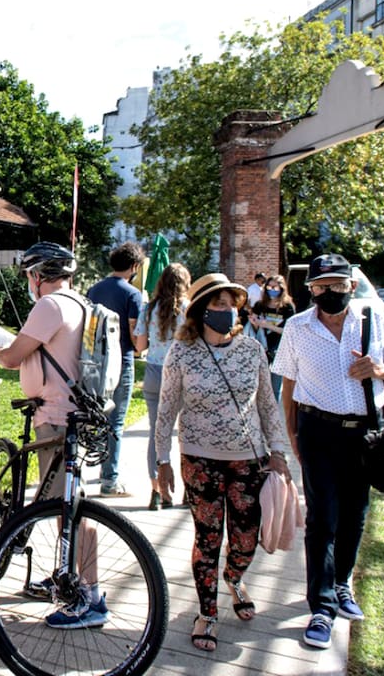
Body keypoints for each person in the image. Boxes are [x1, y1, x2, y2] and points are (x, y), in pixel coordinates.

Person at [271, 253, 384, 650]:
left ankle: (342, 581)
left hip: (364, 432)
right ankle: (322, 606)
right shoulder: (298, 327)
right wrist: (293, 433)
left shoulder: (371, 320)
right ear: (310, 289)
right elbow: (290, 385)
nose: (330, 292)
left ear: (351, 285)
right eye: (322, 286)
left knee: (355, 513)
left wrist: (378, 370)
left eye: (337, 284)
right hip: (318, 430)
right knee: (322, 518)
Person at [155, 273, 291, 653]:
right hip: (199, 459)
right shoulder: (182, 353)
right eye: (218, 305)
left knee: (246, 538)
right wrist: (161, 459)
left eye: (232, 304)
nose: (227, 311)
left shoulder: (252, 351)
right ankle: (207, 612)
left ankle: (234, 576)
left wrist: (278, 453)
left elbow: (267, 404)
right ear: (201, 311)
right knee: (208, 537)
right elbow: (166, 409)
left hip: (249, 460)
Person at [0, 241, 109, 630]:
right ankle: (70, 577)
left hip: (57, 416)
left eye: (29, 274)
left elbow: (13, 357)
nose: (29, 281)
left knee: (71, 510)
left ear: (38, 275)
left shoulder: (50, 305)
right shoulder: (78, 303)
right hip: (75, 412)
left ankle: (90, 596)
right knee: (70, 504)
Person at [85, 241, 145, 496]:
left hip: (95, 362)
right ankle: (110, 480)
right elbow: (135, 335)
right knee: (115, 422)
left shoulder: (93, 290)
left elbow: (88, 329)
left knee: (97, 418)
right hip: (122, 361)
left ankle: (98, 469)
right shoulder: (132, 294)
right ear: (134, 266)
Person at [132, 262, 190, 510]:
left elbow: (139, 346)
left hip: (156, 372)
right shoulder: (189, 309)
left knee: (157, 434)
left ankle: (158, 492)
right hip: (184, 375)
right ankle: (189, 489)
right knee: (187, 434)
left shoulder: (148, 309)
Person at [248, 273, 296, 399]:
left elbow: (289, 331)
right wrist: (254, 322)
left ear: (281, 289)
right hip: (262, 346)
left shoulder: (287, 307)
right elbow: (253, 325)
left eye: (275, 288)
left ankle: (274, 410)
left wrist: (267, 325)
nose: (271, 291)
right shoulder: (260, 305)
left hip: (280, 348)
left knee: (275, 384)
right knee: (259, 382)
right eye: (269, 287)